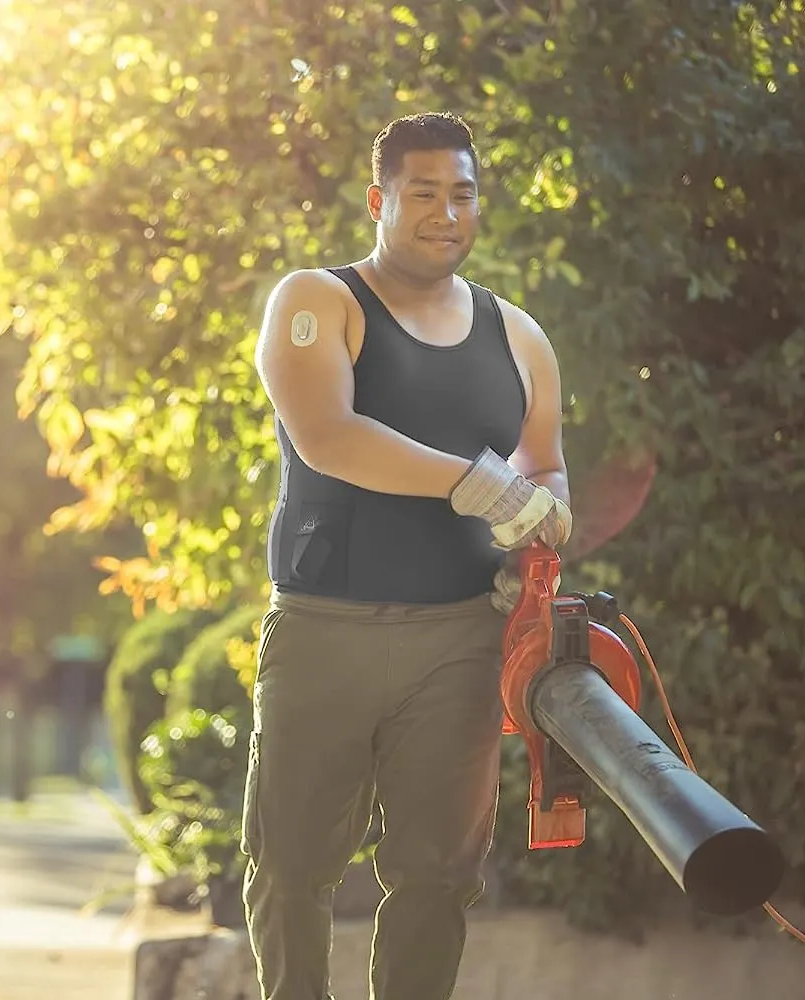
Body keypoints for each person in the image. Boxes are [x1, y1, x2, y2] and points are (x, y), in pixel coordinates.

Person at [244, 112, 573, 1000]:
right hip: (326, 630)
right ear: (378, 200)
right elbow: (329, 437)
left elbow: (544, 462)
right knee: (290, 867)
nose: (445, 211)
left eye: (461, 194)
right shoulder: (318, 301)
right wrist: (477, 485)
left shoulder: (519, 336)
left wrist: (546, 515)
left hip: (460, 639)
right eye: (422, 192)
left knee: (438, 874)